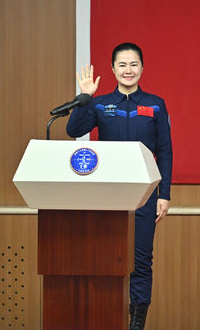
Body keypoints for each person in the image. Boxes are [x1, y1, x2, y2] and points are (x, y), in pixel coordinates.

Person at [66, 42, 172, 330]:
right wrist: (85, 97)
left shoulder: (155, 104)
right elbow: (74, 130)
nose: (128, 70)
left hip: (144, 195)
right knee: (106, 257)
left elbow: (165, 151)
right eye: (122, 65)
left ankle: (136, 323)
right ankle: (107, 315)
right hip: (108, 194)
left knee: (141, 261)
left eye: (133, 64)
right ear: (113, 69)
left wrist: (165, 195)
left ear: (142, 68)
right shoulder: (99, 104)